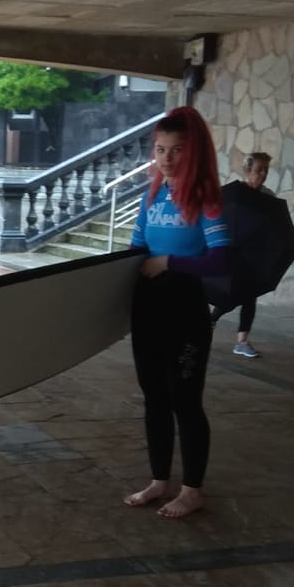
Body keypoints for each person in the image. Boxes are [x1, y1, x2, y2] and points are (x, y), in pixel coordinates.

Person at [124, 106, 231, 521]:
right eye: (160, 149)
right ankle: (159, 480)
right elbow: (135, 251)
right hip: (148, 309)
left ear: (194, 152)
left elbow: (220, 259)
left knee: (185, 401)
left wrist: (170, 262)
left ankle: (192, 490)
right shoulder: (151, 196)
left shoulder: (206, 200)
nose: (166, 158)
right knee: (154, 397)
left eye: (177, 150)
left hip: (185, 311)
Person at [214, 151, 270, 358]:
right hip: (233, 252)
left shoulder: (268, 197)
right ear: (247, 171)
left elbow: (271, 225)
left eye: (265, 170)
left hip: (254, 253)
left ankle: (242, 341)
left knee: (249, 296)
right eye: (259, 170)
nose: (263, 174)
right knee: (232, 294)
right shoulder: (234, 193)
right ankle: (211, 319)